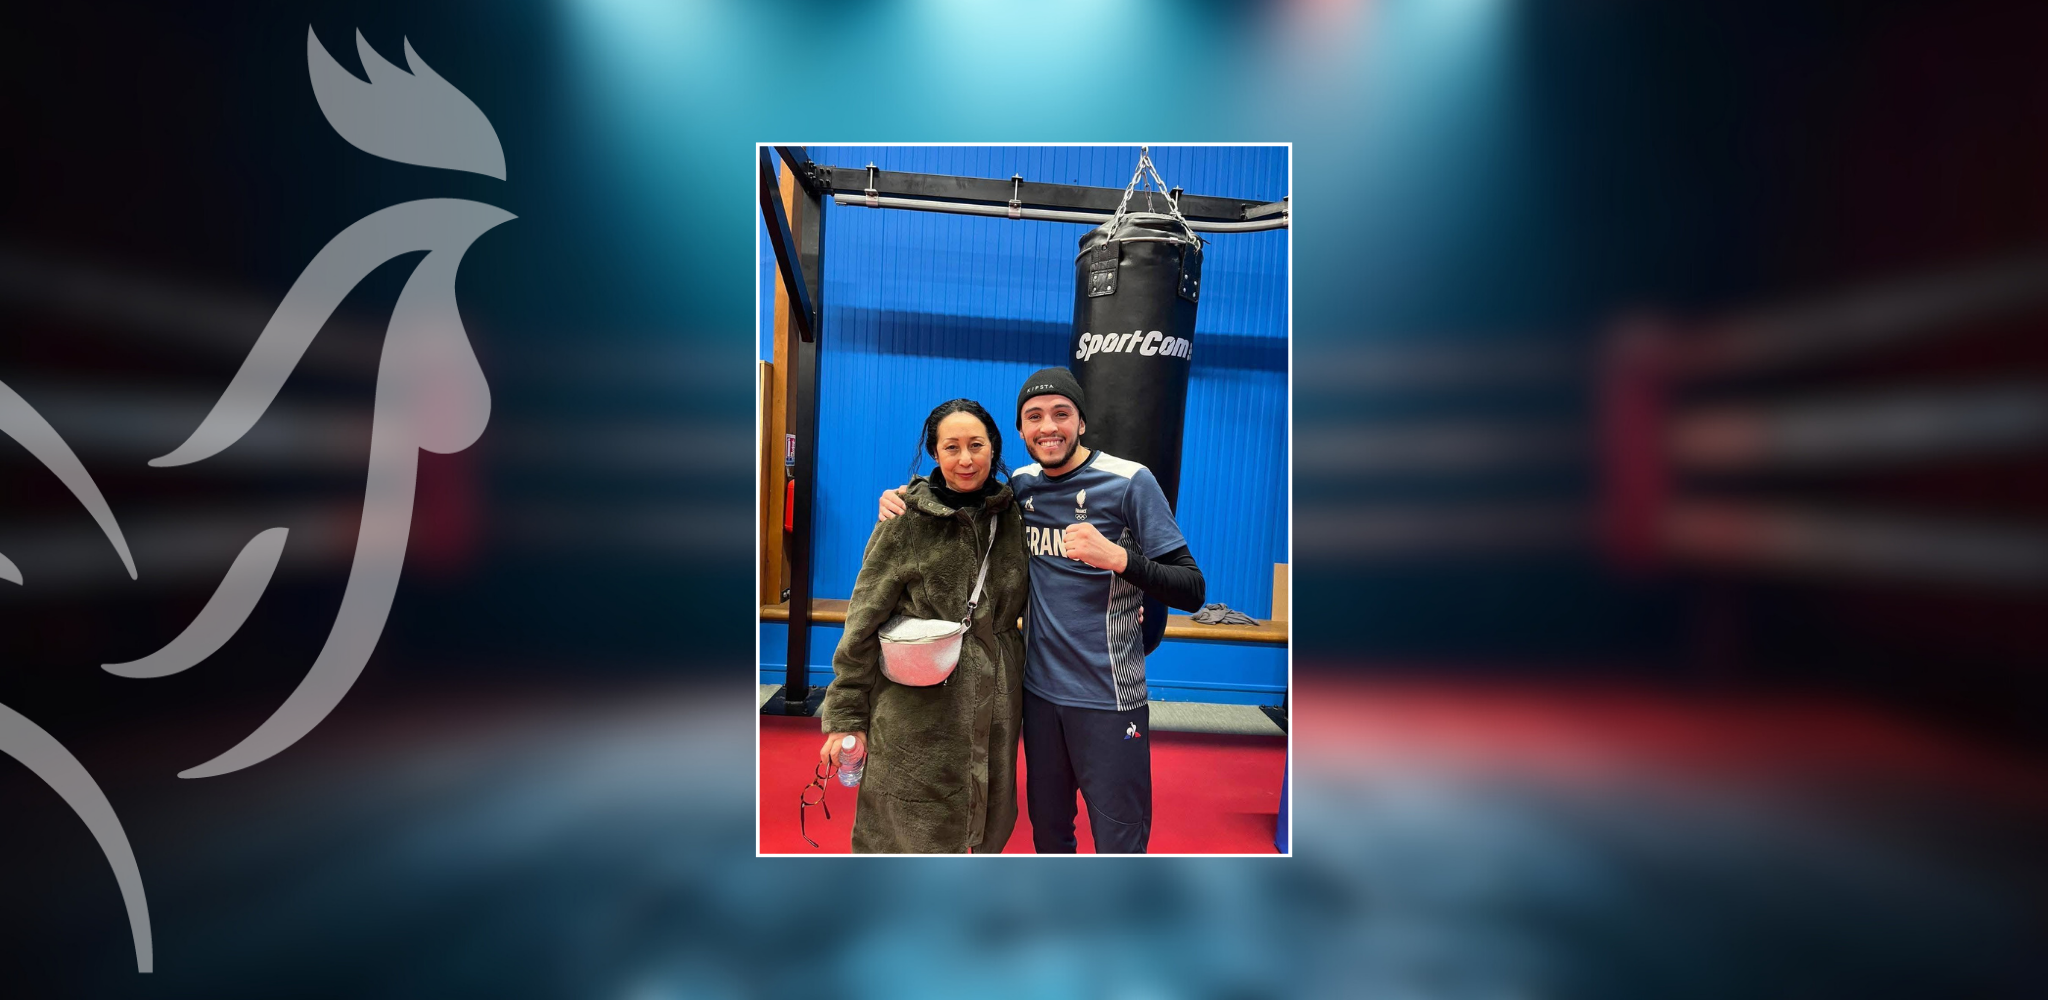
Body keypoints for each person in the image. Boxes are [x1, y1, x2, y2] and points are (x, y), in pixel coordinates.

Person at [880, 368, 1204, 853]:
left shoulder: (1130, 481)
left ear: (1082, 422)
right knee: (1049, 833)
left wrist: (1119, 559)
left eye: (1061, 414)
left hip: (1109, 696)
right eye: (1034, 417)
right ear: (1020, 430)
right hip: (1038, 695)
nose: (1048, 427)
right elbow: (961, 492)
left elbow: (1192, 589)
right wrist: (903, 498)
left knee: (1119, 837)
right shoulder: (1022, 487)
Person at [818, 399, 1028, 853]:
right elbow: (863, 621)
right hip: (917, 708)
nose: (965, 459)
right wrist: (846, 715)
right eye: (951, 447)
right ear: (935, 452)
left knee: (989, 823)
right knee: (908, 834)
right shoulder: (905, 520)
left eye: (976, 445)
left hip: (998, 699)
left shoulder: (1015, 516)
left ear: (994, 447)